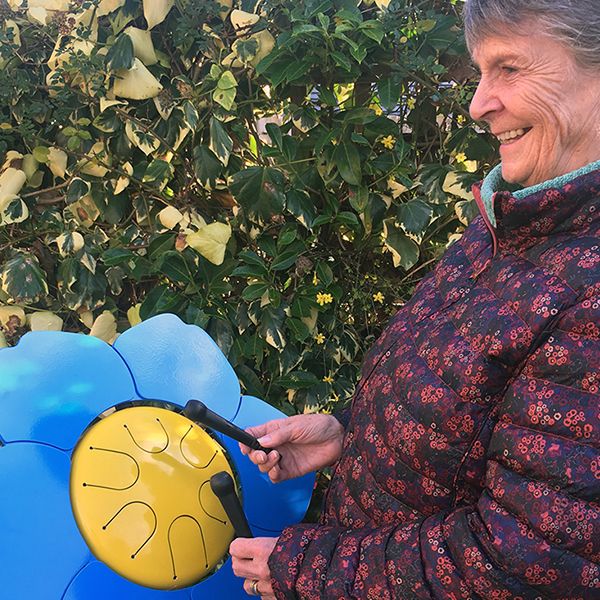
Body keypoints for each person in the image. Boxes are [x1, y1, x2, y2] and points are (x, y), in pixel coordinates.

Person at [230, 0, 600, 597]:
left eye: (509, 68)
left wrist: (305, 570)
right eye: (480, 71)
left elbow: (524, 563)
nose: (479, 103)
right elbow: (467, 410)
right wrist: (350, 436)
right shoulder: (516, 215)